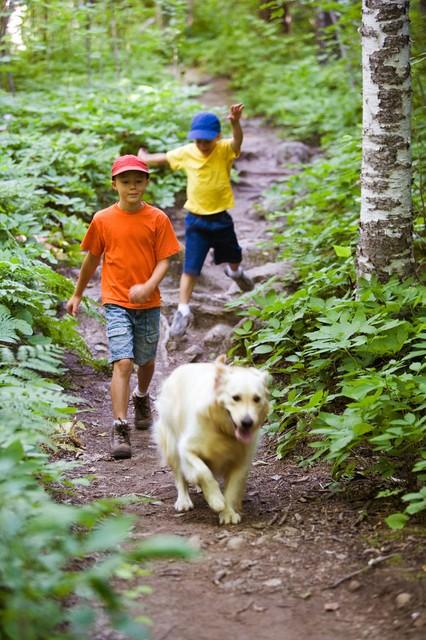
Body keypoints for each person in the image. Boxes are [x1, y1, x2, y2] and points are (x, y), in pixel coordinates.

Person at [66, 155, 180, 460]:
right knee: (123, 362)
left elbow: (165, 259)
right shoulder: (103, 219)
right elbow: (91, 258)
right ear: (114, 184)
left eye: (138, 181)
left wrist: (148, 286)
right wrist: (77, 294)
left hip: (149, 303)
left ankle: (141, 396)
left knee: (147, 361)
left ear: (146, 183)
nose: (133, 187)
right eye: (126, 181)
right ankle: (119, 425)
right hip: (116, 301)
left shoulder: (157, 219)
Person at [138, 104, 253, 338]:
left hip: (221, 218)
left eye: (206, 141)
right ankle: (183, 309)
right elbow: (166, 158)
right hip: (196, 221)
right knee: (191, 267)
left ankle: (236, 273)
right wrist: (145, 158)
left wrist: (235, 122)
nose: (201, 145)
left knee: (233, 255)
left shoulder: (223, 149)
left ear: (217, 137)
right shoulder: (188, 151)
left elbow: (237, 142)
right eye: (198, 140)